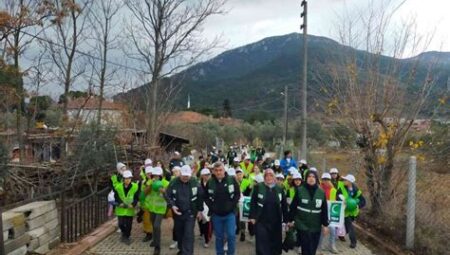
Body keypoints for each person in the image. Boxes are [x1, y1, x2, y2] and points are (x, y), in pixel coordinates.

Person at [165, 165, 204, 255]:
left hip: (190, 213)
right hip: (178, 213)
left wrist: (200, 210)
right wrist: (172, 206)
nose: (186, 178)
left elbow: (200, 196)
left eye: (187, 176)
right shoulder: (173, 182)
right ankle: (182, 250)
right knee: (180, 233)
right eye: (184, 176)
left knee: (188, 234)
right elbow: (167, 195)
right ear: (180, 174)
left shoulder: (195, 182)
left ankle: (187, 253)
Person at [288, 171, 329, 255]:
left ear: (316, 179)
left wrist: (325, 225)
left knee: (312, 248)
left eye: (313, 177)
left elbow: (324, 209)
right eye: (309, 176)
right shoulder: (300, 190)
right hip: (302, 223)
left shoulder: (321, 192)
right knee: (306, 247)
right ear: (306, 179)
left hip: (315, 225)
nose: (311, 178)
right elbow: (293, 206)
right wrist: (290, 220)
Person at [249, 169, 288, 255]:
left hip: (276, 222)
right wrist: (252, 216)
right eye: (267, 175)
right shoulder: (258, 187)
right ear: (264, 177)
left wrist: (286, 220)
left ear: (274, 177)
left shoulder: (279, 189)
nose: (269, 177)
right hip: (261, 221)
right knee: (262, 243)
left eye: (271, 175)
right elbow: (253, 202)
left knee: (275, 244)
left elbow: (284, 206)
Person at [205, 161, 241, 255]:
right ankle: (220, 253)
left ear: (224, 170)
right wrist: (212, 207)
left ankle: (231, 253)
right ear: (213, 171)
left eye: (220, 170)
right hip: (216, 215)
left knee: (231, 235)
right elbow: (205, 196)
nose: (218, 172)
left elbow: (237, 194)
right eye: (216, 170)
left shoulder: (231, 180)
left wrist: (232, 205)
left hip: (230, 214)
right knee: (219, 237)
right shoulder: (210, 182)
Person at [336, 174, 366, 249]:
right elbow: (337, 197)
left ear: (350, 182)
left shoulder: (356, 190)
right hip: (344, 211)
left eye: (345, 180)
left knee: (347, 226)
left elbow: (363, 201)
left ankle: (341, 235)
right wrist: (343, 201)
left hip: (352, 212)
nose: (344, 181)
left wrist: (357, 205)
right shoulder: (341, 188)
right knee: (350, 226)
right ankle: (353, 242)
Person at [113, 170, 140, 245]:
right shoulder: (118, 187)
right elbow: (116, 196)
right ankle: (124, 234)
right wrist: (119, 203)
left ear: (131, 178)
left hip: (129, 209)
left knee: (128, 225)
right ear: (123, 179)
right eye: (125, 178)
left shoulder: (135, 186)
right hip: (121, 209)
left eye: (129, 178)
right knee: (121, 224)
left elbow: (136, 197)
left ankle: (126, 237)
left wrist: (133, 204)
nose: (127, 180)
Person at [147, 167, 170, 255]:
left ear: (161, 175)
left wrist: (164, 192)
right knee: (154, 225)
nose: (156, 177)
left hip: (160, 209)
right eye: (154, 175)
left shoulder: (166, 183)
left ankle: (157, 247)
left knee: (157, 226)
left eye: (157, 175)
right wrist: (149, 185)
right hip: (152, 208)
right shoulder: (151, 182)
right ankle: (155, 240)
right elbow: (145, 193)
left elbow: (168, 197)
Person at [319, 173, 339, 253]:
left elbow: (338, 199)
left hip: (330, 214)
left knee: (333, 230)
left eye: (327, 179)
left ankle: (332, 246)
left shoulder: (334, 190)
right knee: (321, 231)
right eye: (324, 179)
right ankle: (319, 246)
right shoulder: (318, 189)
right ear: (322, 180)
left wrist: (343, 201)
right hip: (320, 213)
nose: (326, 181)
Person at [198, 168, 213, 248]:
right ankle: (202, 233)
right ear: (202, 176)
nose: (207, 176)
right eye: (205, 175)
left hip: (209, 205)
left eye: (208, 175)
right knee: (200, 222)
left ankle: (207, 239)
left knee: (207, 223)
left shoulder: (212, 183)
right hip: (200, 205)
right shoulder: (199, 184)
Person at [140, 166, 154, 242]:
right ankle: (148, 234)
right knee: (146, 220)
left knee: (153, 221)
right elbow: (142, 193)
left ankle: (154, 235)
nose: (149, 174)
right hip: (146, 204)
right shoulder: (143, 182)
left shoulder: (154, 181)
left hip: (154, 204)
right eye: (148, 173)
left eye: (151, 173)